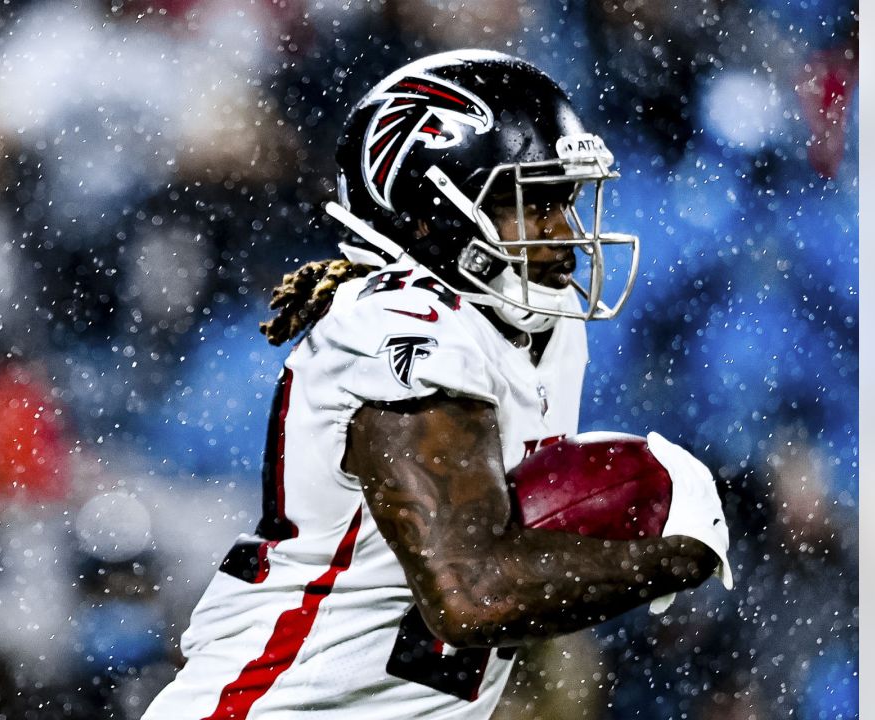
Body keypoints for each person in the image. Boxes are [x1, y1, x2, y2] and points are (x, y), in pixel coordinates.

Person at [142, 49, 732, 720]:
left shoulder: (542, 329)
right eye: (535, 204)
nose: (566, 235)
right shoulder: (400, 327)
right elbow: (469, 595)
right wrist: (669, 554)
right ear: (430, 215)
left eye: (566, 200)